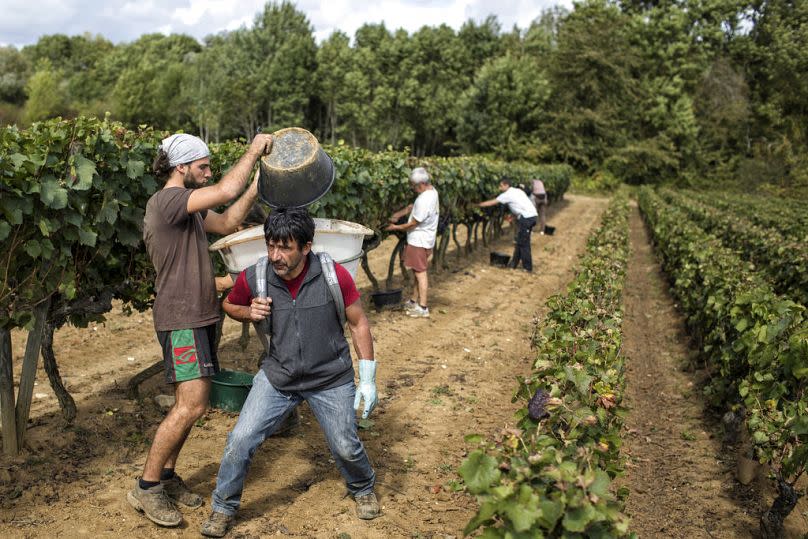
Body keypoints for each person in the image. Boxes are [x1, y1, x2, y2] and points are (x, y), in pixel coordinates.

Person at [201, 208, 380, 537]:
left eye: (285, 247)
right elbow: (229, 304)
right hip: (278, 377)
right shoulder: (256, 275)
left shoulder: (333, 276)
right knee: (239, 440)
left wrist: (367, 377)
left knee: (344, 444)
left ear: (306, 247)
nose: (275, 255)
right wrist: (247, 310)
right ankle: (223, 507)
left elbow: (358, 323)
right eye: (271, 246)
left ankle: (362, 485)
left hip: (329, 378)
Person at [130, 132, 273, 528]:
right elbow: (226, 188)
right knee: (190, 404)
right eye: (203, 167)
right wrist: (254, 149)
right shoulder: (169, 200)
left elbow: (228, 220)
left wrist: (259, 183)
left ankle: (169, 477)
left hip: (200, 315)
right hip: (182, 320)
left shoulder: (188, 211)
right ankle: (146, 487)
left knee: (193, 402)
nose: (208, 173)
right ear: (181, 167)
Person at [385, 167, 439, 318]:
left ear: (421, 184)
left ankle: (423, 307)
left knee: (421, 274)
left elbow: (413, 223)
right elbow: (411, 207)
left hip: (419, 241)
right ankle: (414, 301)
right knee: (417, 271)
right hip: (427, 239)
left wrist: (394, 227)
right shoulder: (432, 191)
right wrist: (397, 214)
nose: (413, 189)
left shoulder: (424, 200)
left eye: (414, 186)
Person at [478, 178, 539, 272]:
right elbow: (521, 205)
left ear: (506, 185)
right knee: (520, 241)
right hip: (531, 216)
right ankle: (513, 264)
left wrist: (477, 205)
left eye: (501, 186)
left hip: (527, 218)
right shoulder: (517, 191)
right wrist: (514, 217)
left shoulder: (507, 195)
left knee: (524, 243)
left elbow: (492, 202)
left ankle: (528, 267)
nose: (499, 188)